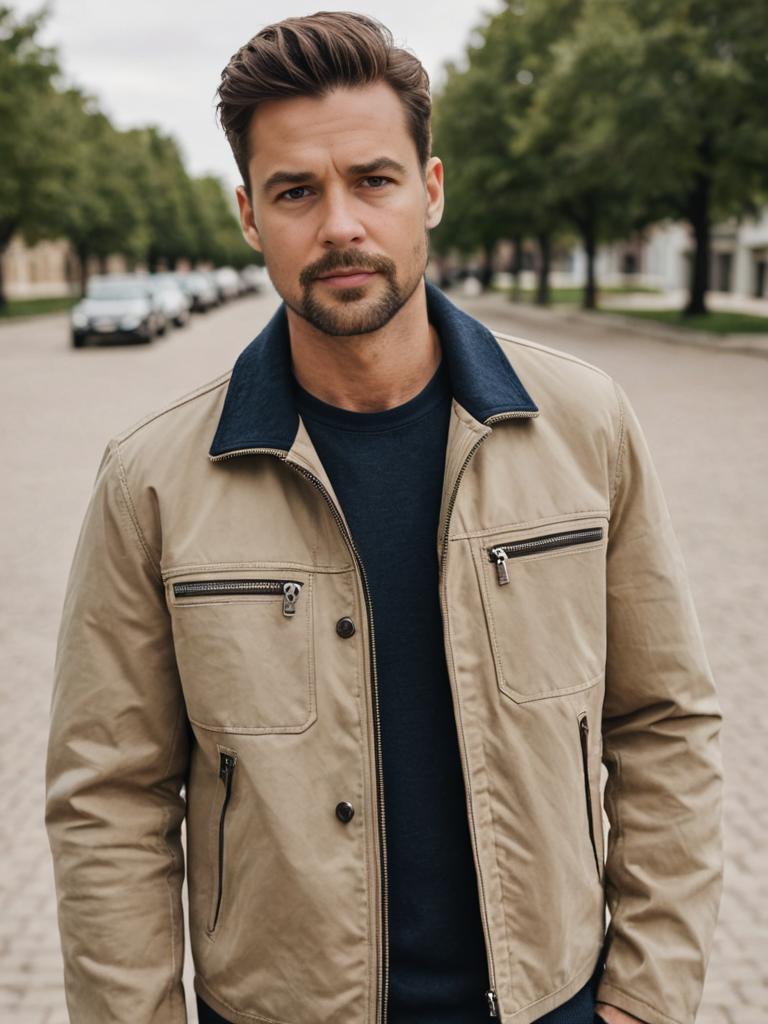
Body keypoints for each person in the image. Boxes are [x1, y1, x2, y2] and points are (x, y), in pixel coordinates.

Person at [44, 12, 724, 1024]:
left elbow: (664, 724)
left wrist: (650, 1001)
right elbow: (109, 798)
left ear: (431, 190)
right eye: (295, 192)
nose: (340, 227)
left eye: (373, 179)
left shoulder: (582, 426)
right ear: (247, 215)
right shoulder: (152, 478)